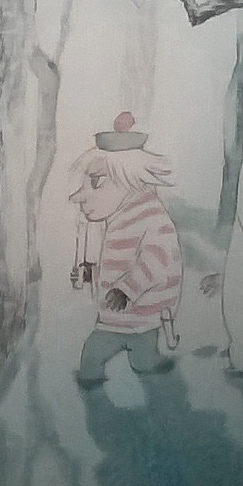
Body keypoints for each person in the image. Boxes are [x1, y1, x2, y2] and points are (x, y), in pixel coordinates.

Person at [67, 112, 183, 384]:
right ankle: (132, 366)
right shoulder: (119, 218)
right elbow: (116, 261)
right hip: (119, 316)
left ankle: (129, 369)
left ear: (126, 177)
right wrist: (90, 274)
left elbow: (157, 259)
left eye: (96, 181)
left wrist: (126, 290)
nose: (78, 198)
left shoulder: (152, 217)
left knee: (109, 355)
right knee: (107, 353)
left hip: (139, 315)